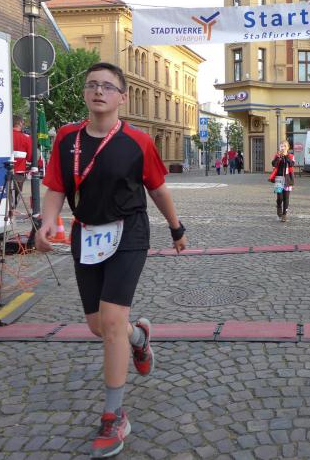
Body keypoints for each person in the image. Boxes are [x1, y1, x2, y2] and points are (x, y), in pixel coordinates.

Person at [35, 62, 187, 458]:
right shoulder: (66, 138)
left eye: (107, 86)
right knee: (97, 325)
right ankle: (139, 339)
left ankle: (114, 414)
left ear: (122, 97)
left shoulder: (138, 141)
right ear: (85, 94)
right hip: (86, 233)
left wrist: (176, 228)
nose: (98, 91)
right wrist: (48, 221)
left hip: (129, 232)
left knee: (113, 319)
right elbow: (56, 186)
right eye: (92, 85)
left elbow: (158, 189)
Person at [11, 114, 32, 211]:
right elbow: (30, 156)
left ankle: (9, 211)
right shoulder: (26, 137)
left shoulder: (5, 136)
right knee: (17, 193)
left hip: (5, 170)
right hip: (19, 171)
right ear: (20, 123)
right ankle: (12, 211)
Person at [271, 141, 295, 222]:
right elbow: (274, 164)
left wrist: (286, 156)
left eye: (284, 146)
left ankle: (284, 214)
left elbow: (291, 164)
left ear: (288, 147)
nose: (283, 148)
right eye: (281, 146)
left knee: (286, 198)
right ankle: (278, 206)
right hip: (279, 179)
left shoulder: (291, 156)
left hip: (288, 179)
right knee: (280, 198)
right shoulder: (277, 155)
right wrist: (278, 157)